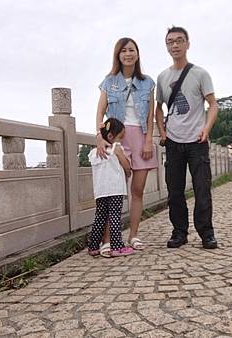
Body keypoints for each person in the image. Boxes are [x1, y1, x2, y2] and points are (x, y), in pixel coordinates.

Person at [155, 26, 219, 249]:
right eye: (170, 42)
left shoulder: (200, 74)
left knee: (202, 188)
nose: (175, 45)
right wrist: (162, 132)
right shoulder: (162, 77)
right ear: (166, 46)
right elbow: (159, 108)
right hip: (173, 141)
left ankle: (206, 233)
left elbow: (213, 105)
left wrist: (206, 128)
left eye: (179, 41)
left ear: (188, 44)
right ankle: (179, 232)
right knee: (175, 190)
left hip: (197, 141)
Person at [95, 37, 157, 251]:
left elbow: (150, 115)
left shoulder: (147, 82)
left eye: (131, 50)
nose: (128, 54)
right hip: (116, 138)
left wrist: (149, 139)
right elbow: (100, 111)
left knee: (137, 190)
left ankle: (133, 235)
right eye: (123, 51)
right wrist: (99, 135)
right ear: (118, 55)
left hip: (140, 136)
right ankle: (107, 240)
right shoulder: (109, 81)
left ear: (137, 54)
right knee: (112, 190)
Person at [87, 118, 134, 257]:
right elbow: (127, 168)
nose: (122, 141)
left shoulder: (94, 152)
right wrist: (120, 154)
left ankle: (93, 246)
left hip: (100, 191)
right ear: (110, 137)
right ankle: (117, 246)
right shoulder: (117, 149)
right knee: (114, 217)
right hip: (115, 190)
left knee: (100, 217)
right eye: (120, 137)